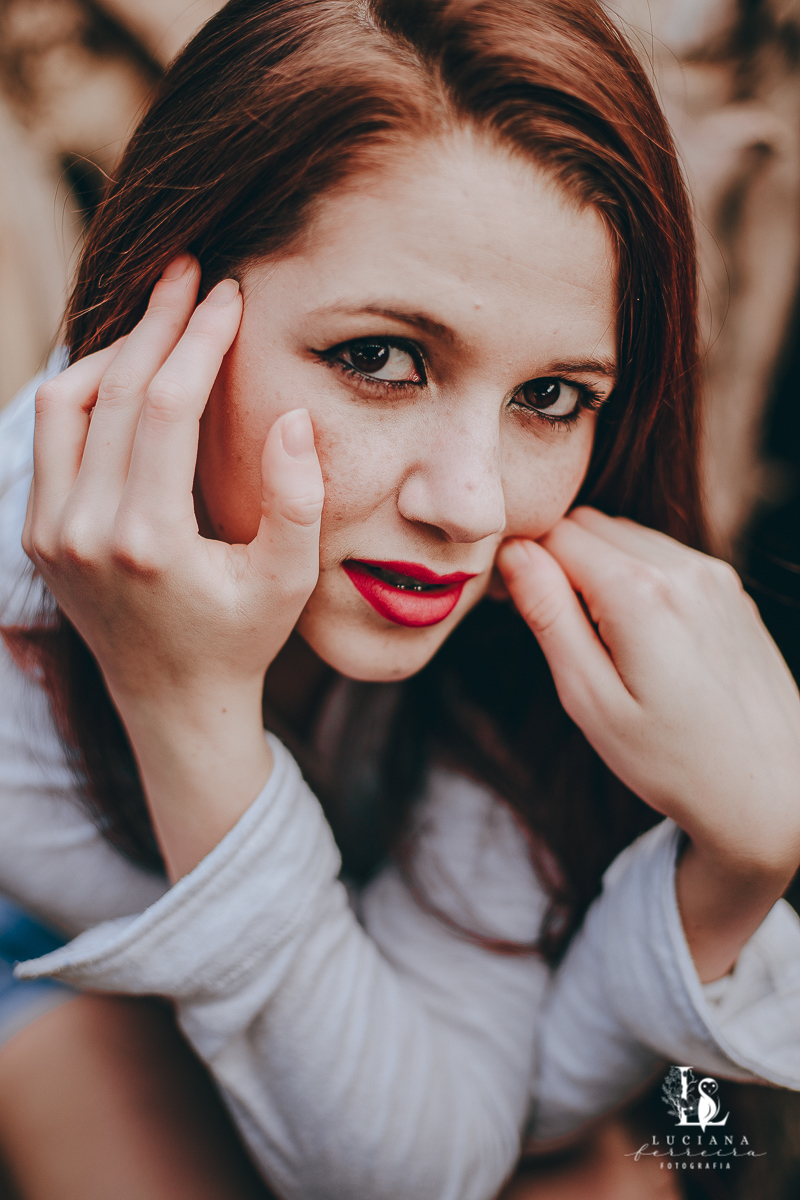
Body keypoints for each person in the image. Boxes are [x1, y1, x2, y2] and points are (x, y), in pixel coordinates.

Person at [1, 1, 799, 1197]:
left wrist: (741, 862)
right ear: (160, 316)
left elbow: (497, 1121)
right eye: (379, 359)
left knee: (621, 1175)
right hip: (45, 950)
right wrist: (185, 700)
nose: (471, 505)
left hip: (342, 976)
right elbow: (401, 1169)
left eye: (550, 396)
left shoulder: (505, 635)